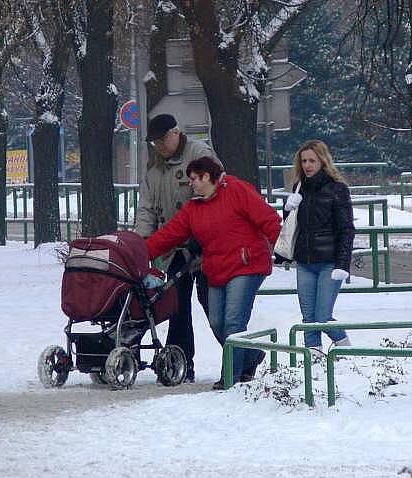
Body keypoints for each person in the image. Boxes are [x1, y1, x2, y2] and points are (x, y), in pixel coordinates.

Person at [145, 156, 282, 389]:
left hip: (246, 265)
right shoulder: (194, 208)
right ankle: (251, 356)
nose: (191, 184)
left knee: (233, 321)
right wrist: (141, 252)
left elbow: (267, 218)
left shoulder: (237, 190)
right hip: (217, 269)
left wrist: (282, 247)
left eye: (195, 179)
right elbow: (170, 234)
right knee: (217, 322)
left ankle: (231, 378)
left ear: (207, 176)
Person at [135, 114, 220, 383]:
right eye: (154, 142)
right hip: (174, 248)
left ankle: (243, 357)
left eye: (162, 140)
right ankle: (180, 363)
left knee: (212, 307)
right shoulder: (154, 168)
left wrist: (203, 233)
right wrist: (140, 245)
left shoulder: (199, 153)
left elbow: (216, 191)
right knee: (176, 307)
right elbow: (147, 209)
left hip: (204, 247)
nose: (158, 146)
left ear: (175, 133)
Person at [283, 140, 355, 353]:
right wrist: (288, 209)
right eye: (304, 161)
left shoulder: (337, 189)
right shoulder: (298, 188)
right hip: (305, 262)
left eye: (312, 160)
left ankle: (346, 351)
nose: (307, 165)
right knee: (308, 318)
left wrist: (342, 264)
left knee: (322, 316)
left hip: (329, 263)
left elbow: (346, 229)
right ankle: (313, 360)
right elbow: (292, 226)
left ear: (322, 161)